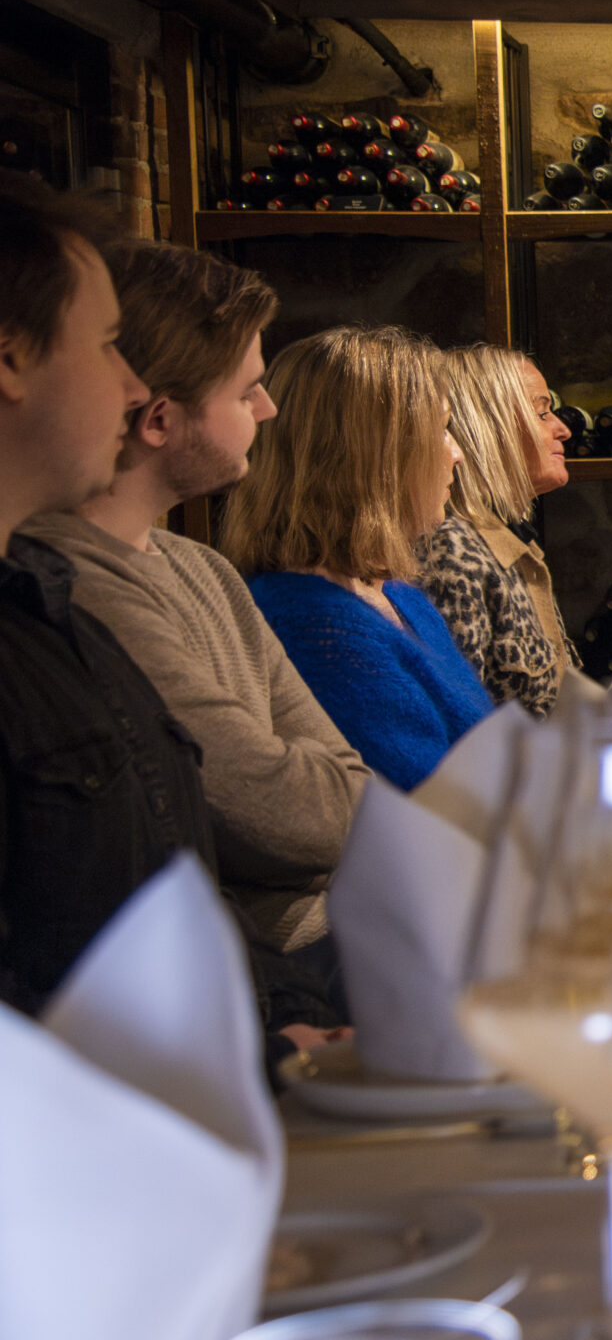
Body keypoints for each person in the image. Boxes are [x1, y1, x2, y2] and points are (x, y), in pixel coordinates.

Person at [17, 244, 367, 1030]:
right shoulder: (73, 584)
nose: (270, 410)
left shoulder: (202, 568)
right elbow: (290, 818)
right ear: (161, 420)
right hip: (268, 965)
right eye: (248, 391)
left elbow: (346, 781)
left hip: (281, 959)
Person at [0, 174, 216, 1016]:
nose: (134, 387)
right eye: (108, 344)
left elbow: (168, 896)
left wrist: (274, 1022)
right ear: (11, 356)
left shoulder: (54, 613)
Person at [224, 325, 494, 791]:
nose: (457, 453)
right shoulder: (315, 626)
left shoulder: (395, 593)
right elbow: (429, 810)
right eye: (441, 429)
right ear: (376, 456)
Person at [417, 344, 576, 716]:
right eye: (542, 412)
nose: (563, 429)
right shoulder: (450, 551)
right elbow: (459, 729)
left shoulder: (503, 539)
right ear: (488, 427)